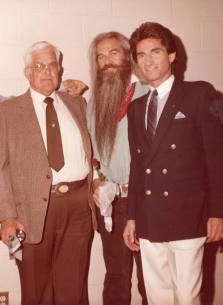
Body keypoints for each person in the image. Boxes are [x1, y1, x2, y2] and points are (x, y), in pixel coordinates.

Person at [123, 22, 223, 305]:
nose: (148, 61)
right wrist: (132, 216)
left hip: (188, 215)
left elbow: (217, 159)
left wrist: (219, 212)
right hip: (149, 218)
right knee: (157, 296)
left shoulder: (199, 94)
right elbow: (138, 166)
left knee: (187, 296)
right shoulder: (135, 109)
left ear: (171, 55)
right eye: (141, 55)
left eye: (155, 52)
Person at [0, 41, 97, 305]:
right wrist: (7, 217)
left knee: (73, 287)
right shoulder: (9, 111)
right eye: (39, 66)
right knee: (36, 289)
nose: (47, 72)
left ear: (59, 70)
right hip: (32, 212)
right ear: (27, 72)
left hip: (78, 207)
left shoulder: (76, 103)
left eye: (52, 66)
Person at [87, 31, 148, 305]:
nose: (106, 61)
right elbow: (93, 155)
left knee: (152, 280)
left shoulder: (148, 93)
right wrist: (97, 181)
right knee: (116, 278)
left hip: (147, 202)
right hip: (113, 204)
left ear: (127, 56)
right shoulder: (94, 104)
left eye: (113, 53)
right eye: (100, 56)